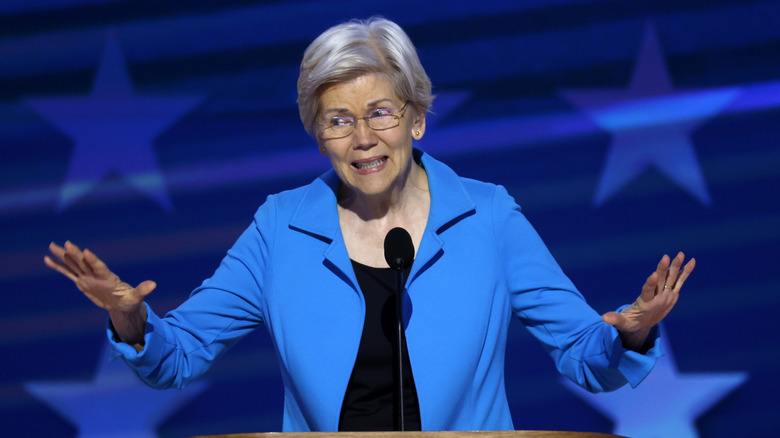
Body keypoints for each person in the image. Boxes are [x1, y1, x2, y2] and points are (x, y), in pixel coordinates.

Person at [44, 17, 695, 432]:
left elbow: (588, 357)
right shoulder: (282, 227)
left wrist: (630, 336)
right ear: (317, 134)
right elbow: (177, 357)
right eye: (337, 119)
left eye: (380, 112)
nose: (363, 138)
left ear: (415, 118)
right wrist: (131, 321)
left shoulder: (489, 216)